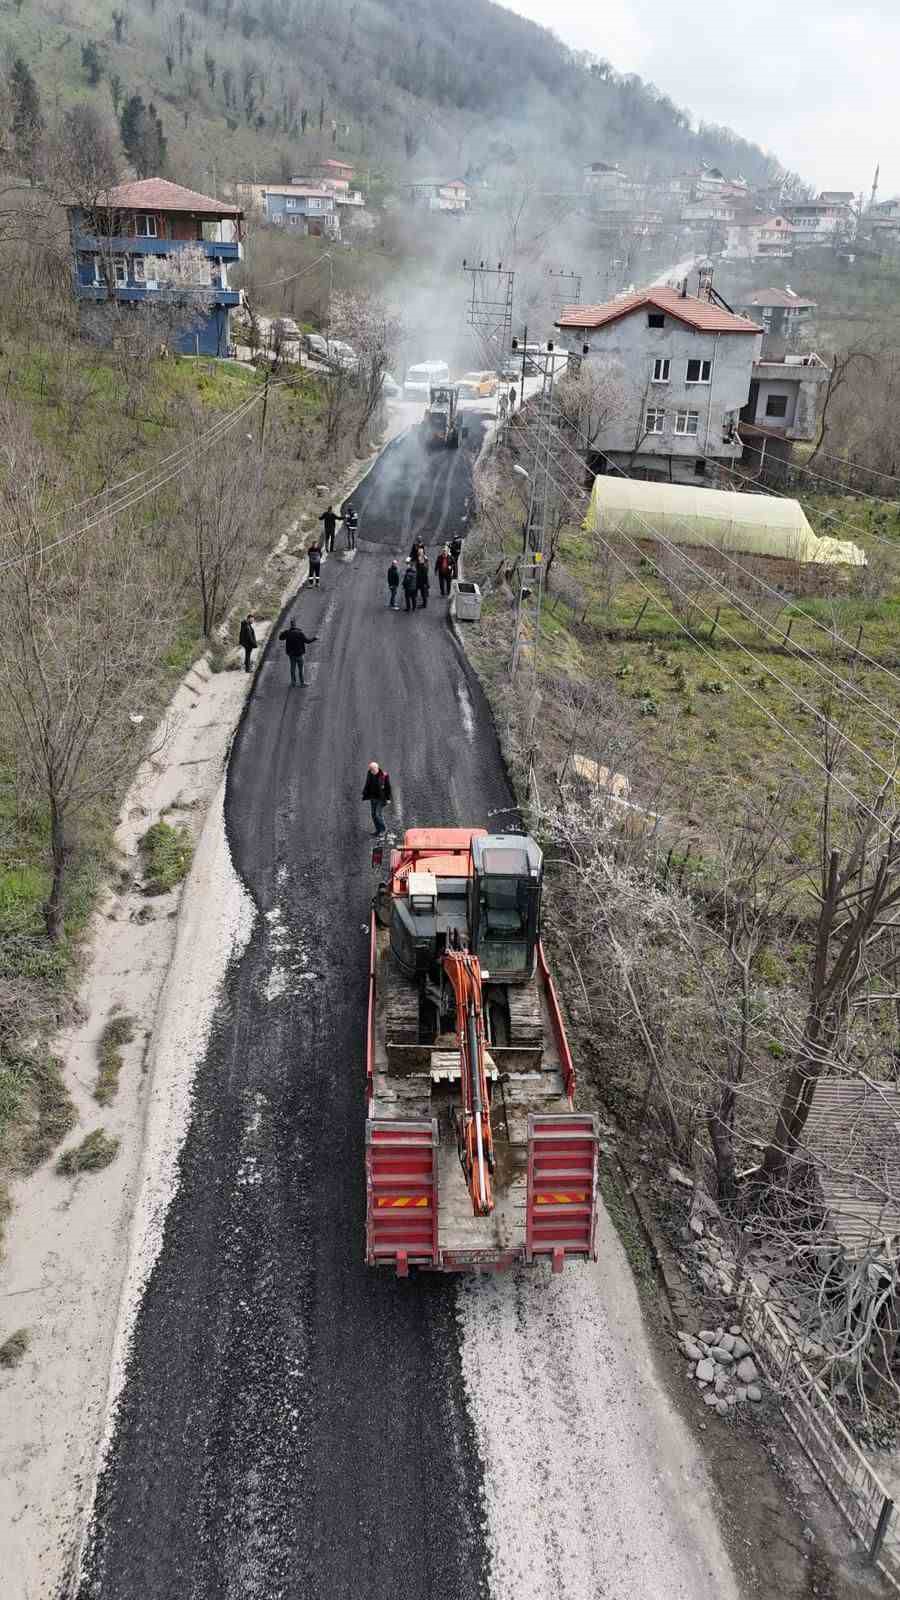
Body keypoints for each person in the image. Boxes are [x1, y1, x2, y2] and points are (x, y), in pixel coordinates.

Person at [278, 617, 317, 686]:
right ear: (295, 625)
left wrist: (281, 633)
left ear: (291, 625)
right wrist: (315, 638)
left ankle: (293, 682)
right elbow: (307, 641)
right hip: (299, 655)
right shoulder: (300, 633)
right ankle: (302, 683)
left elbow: (280, 638)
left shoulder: (287, 632)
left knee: (292, 669)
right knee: (301, 669)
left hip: (291, 655)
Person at [362, 760, 392, 836]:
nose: (371, 771)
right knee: (373, 814)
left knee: (378, 814)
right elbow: (367, 783)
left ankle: (383, 830)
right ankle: (378, 830)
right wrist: (364, 792)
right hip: (373, 797)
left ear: (377, 768)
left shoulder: (384, 775)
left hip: (381, 798)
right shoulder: (369, 773)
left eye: (373, 770)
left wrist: (388, 799)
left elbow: (388, 787)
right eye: (370, 769)